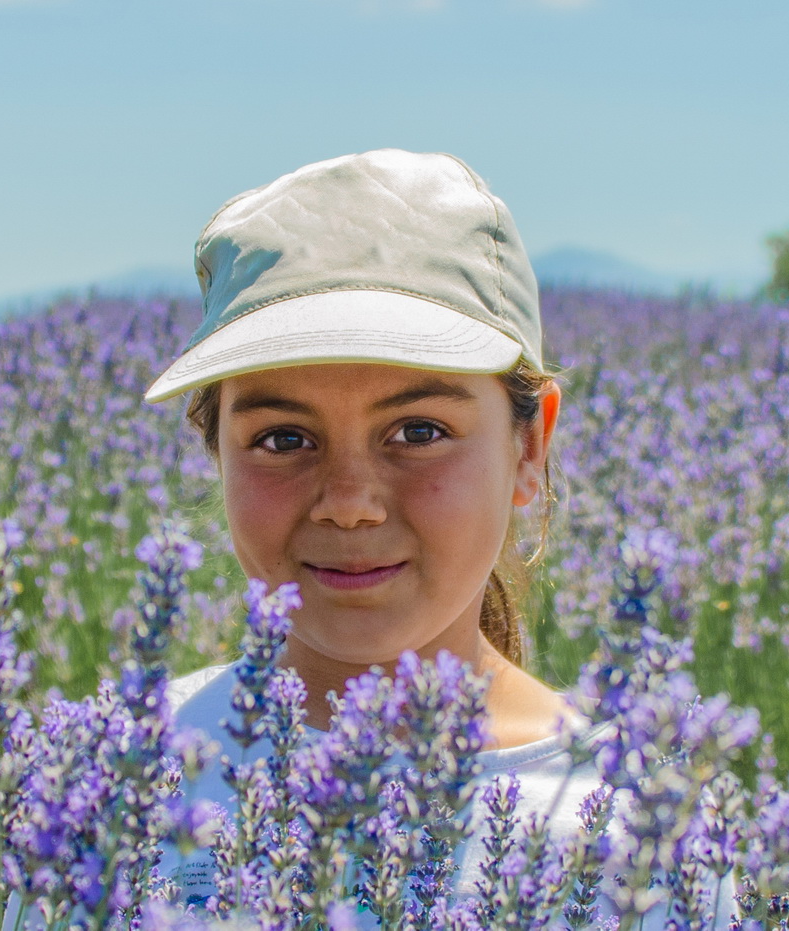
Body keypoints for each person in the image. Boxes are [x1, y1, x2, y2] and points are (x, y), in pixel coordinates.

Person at [147, 149, 735, 929]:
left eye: (418, 431)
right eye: (284, 439)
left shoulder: (644, 825)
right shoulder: (128, 767)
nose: (349, 504)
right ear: (216, 453)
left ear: (530, 448)